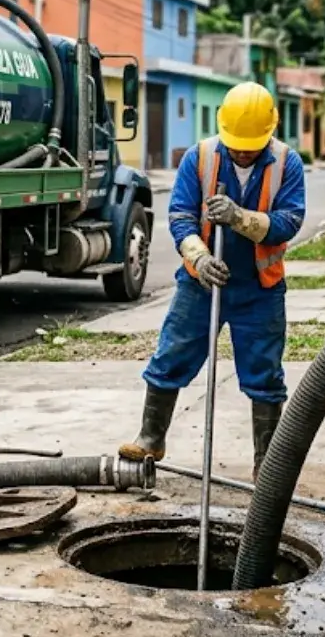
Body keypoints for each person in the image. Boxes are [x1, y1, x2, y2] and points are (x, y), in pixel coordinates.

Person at [119, 82, 306, 483]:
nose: (242, 151)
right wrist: (199, 258)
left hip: (260, 288)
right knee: (171, 355)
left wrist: (239, 217)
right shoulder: (200, 158)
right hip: (199, 285)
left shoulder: (286, 164)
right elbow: (182, 216)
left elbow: (290, 221)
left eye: (250, 145)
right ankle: (152, 436)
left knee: (265, 373)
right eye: (237, 144)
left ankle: (266, 464)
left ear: (269, 132)